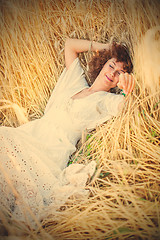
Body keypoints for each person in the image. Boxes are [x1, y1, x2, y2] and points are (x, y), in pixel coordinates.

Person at [0, 38, 135, 228]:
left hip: (50, 153)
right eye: (111, 65)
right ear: (104, 63)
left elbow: (126, 106)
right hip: (29, 134)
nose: (112, 73)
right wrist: (107, 48)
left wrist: (127, 89)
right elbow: (70, 45)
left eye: (119, 73)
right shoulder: (76, 82)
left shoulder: (104, 101)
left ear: (117, 81)